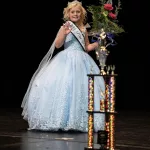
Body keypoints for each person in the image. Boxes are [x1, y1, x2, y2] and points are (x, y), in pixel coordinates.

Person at [21, 0, 105, 132]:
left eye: (78, 12)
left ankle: (78, 120)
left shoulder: (83, 29)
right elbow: (58, 45)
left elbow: (87, 47)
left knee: (81, 89)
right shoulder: (65, 27)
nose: (75, 14)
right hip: (66, 59)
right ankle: (61, 119)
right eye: (73, 12)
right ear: (68, 13)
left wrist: (98, 43)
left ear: (81, 14)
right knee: (65, 86)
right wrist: (64, 34)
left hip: (82, 61)